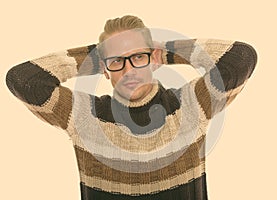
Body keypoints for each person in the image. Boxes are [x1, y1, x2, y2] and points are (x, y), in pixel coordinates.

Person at [6, 15, 257, 200]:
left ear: (154, 59)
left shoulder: (191, 105)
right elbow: (22, 79)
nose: (129, 71)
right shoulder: (84, 117)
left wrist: (167, 51)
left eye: (138, 57)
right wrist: (96, 56)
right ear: (104, 69)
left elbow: (240, 59)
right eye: (117, 61)